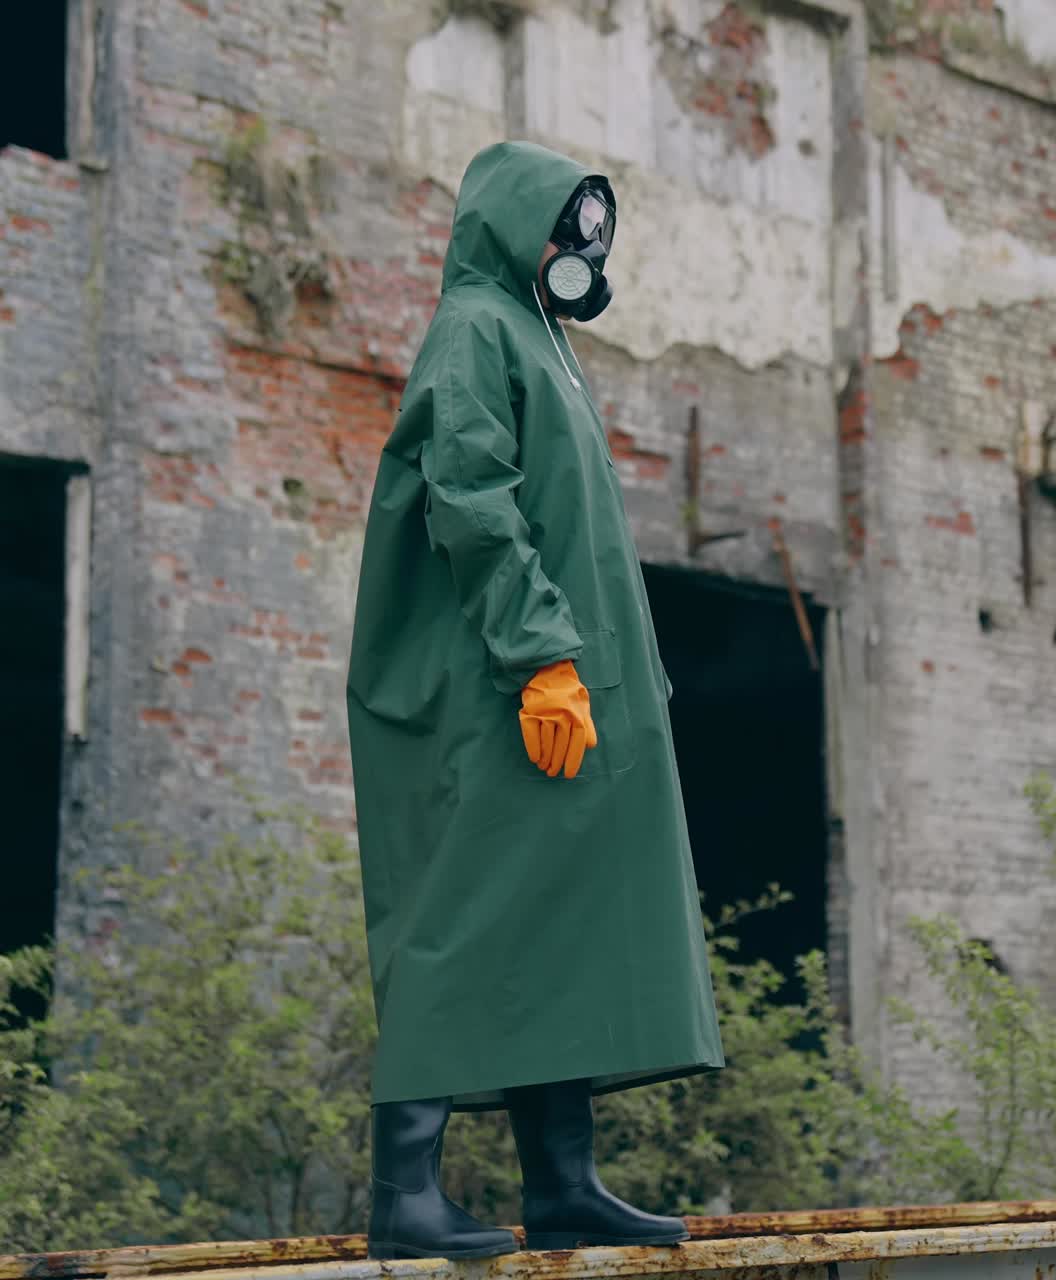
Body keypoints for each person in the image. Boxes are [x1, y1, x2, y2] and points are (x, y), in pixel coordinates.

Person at [344, 139, 725, 1260]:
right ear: (514, 225)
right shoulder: (474, 329)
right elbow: (469, 498)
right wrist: (538, 657)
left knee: (554, 915)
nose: (576, 252)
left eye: (590, 236)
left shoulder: (542, 338)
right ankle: (402, 1189)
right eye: (564, 229)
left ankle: (561, 1181)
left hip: (564, 688)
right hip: (502, 685)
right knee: (464, 908)